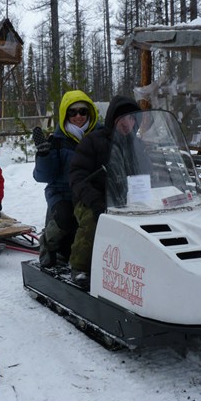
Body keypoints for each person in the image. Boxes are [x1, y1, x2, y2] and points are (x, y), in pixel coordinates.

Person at [68, 95, 142, 288]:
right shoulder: (93, 141)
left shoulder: (138, 145)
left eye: (131, 118)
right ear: (112, 120)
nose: (127, 123)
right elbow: (76, 176)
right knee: (94, 221)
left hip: (131, 200)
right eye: (122, 119)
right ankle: (80, 267)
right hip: (93, 199)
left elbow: (149, 173)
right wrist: (95, 200)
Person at [33, 90, 100, 268]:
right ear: (65, 114)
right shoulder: (57, 140)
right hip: (63, 192)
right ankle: (48, 244)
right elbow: (43, 176)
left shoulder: (100, 136)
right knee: (65, 216)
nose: (78, 116)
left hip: (90, 192)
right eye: (73, 112)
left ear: (90, 113)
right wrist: (44, 155)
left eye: (83, 111)